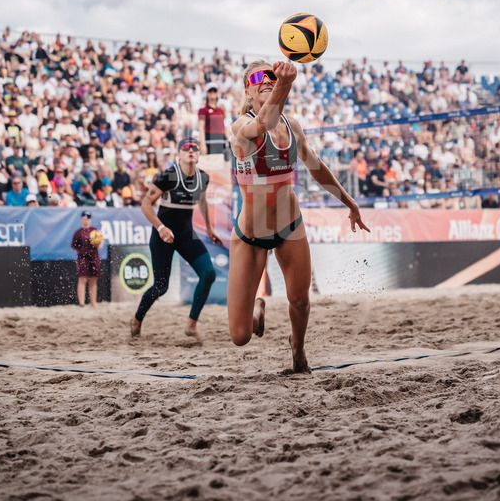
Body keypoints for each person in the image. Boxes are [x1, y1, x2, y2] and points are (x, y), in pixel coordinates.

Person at [228, 61, 369, 372]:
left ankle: (298, 349)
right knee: (240, 336)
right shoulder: (241, 128)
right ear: (248, 91)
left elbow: (316, 167)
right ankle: (257, 308)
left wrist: (349, 203)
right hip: (251, 236)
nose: (266, 80)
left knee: (301, 301)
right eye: (258, 77)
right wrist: (285, 83)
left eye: (271, 74)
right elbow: (264, 123)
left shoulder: (292, 125)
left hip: (289, 227)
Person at [131, 137, 222, 342]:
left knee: (208, 274)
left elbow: (203, 201)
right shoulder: (168, 176)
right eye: (186, 148)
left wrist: (209, 229)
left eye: (195, 149)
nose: (190, 151)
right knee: (161, 287)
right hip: (163, 235)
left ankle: (191, 325)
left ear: (199, 155)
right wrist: (161, 228)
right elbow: (146, 204)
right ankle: (136, 320)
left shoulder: (203, 177)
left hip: (186, 234)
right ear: (178, 154)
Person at [70, 210, 102, 307]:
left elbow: (100, 244)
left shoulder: (95, 231)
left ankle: (93, 303)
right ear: (81, 219)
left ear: (90, 219)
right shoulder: (78, 232)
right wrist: (82, 250)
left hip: (94, 257)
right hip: (83, 258)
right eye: (84, 218)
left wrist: (96, 243)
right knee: (82, 279)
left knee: (93, 280)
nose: (86, 220)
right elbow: (73, 247)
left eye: (87, 218)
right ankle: (82, 304)